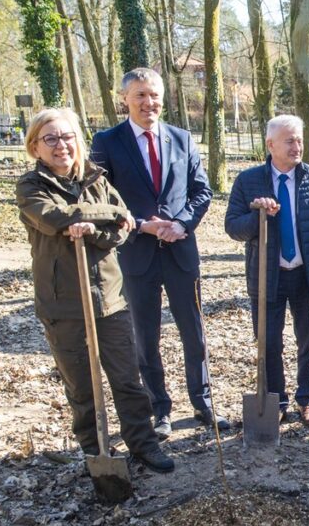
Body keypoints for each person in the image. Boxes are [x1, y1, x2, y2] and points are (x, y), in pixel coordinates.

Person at [16, 108, 173, 473]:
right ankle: (96, 452)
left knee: (127, 381)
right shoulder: (30, 186)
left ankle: (143, 445)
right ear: (35, 147)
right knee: (82, 388)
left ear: (78, 141)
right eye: (50, 139)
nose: (61, 146)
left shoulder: (96, 178)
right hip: (63, 304)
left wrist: (95, 226)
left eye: (67, 137)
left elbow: (124, 226)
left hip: (109, 298)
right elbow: (54, 218)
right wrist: (102, 216)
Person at [90, 67, 227, 439]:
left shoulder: (182, 139)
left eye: (154, 96)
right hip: (136, 254)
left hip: (181, 251)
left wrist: (182, 223)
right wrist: (137, 223)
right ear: (125, 100)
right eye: (140, 96)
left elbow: (201, 191)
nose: (148, 103)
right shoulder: (107, 141)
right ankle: (160, 408)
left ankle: (202, 402)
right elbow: (99, 198)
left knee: (193, 332)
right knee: (146, 335)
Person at [224, 115, 309, 426]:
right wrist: (259, 215)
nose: (297, 146)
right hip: (267, 277)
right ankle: (275, 400)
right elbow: (233, 227)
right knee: (269, 342)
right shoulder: (248, 181)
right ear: (270, 145)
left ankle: (308, 401)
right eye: (289, 140)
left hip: (308, 275)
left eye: (300, 139)